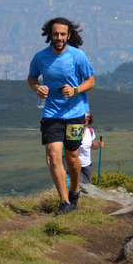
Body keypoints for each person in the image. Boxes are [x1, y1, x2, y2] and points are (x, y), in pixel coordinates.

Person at [27, 17, 96, 215]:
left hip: (75, 114)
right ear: (50, 35)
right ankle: (64, 202)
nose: (59, 37)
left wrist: (74, 90)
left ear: (69, 35)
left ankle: (75, 190)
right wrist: (37, 88)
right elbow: (32, 78)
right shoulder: (40, 57)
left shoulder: (77, 56)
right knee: (55, 155)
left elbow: (90, 81)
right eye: (55, 34)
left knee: (73, 157)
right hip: (51, 113)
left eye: (62, 34)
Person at [78, 112, 104, 185]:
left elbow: (92, 146)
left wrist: (99, 145)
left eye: (87, 118)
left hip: (87, 163)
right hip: (76, 162)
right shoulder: (75, 131)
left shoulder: (90, 131)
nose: (86, 120)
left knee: (86, 184)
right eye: (84, 118)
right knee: (79, 184)